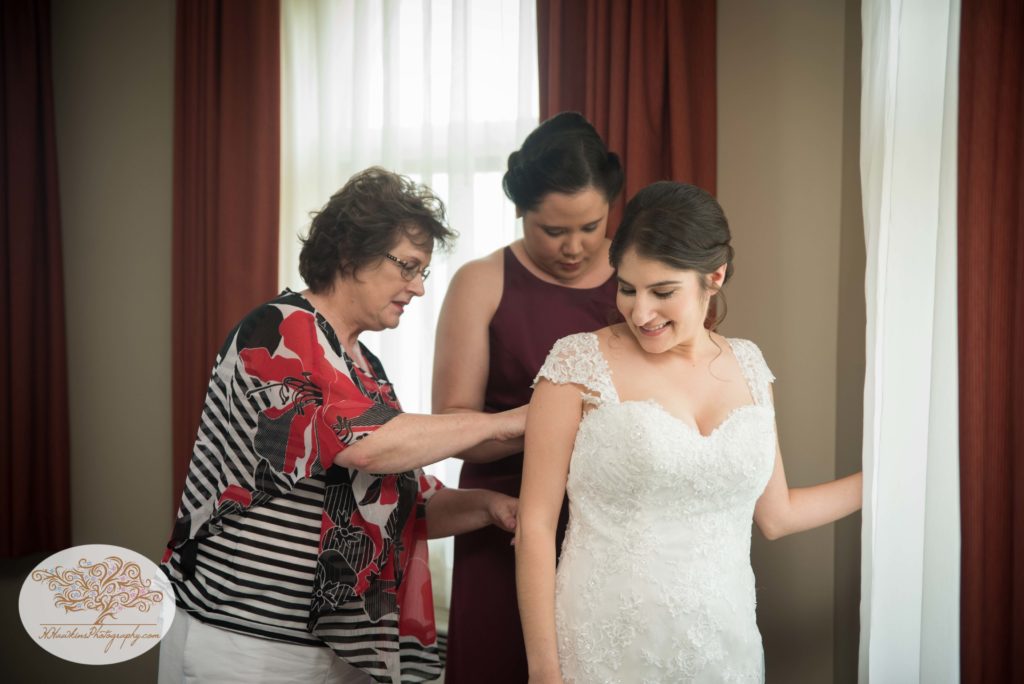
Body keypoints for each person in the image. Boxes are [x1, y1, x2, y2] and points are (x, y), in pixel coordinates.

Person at [158, 168, 525, 684]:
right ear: (353, 254)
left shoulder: (364, 368)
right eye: (409, 268)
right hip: (245, 638)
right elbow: (370, 448)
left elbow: (404, 500)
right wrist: (513, 422)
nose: (418, 288)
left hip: (332, 650)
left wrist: (493, 507)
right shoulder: (281, 328)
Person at [515, 181, 864, 683]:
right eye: (627, 288)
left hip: (726, 645)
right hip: (605, 644)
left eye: (662, 292)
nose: (640, 312)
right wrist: (543, 671)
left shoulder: (749, 364)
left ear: (714, 276)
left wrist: (882, 479)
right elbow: (535, 527)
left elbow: (777, 515)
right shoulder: (576, 362)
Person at [432, 112, 623, 683]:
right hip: (504, 519)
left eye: (589, 226)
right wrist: (543, 421)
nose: (573, 246)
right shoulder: (481, 281)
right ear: (520, 211)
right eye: (552, 230)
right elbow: (454, 424)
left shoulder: (640, 280)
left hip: (612, 520)